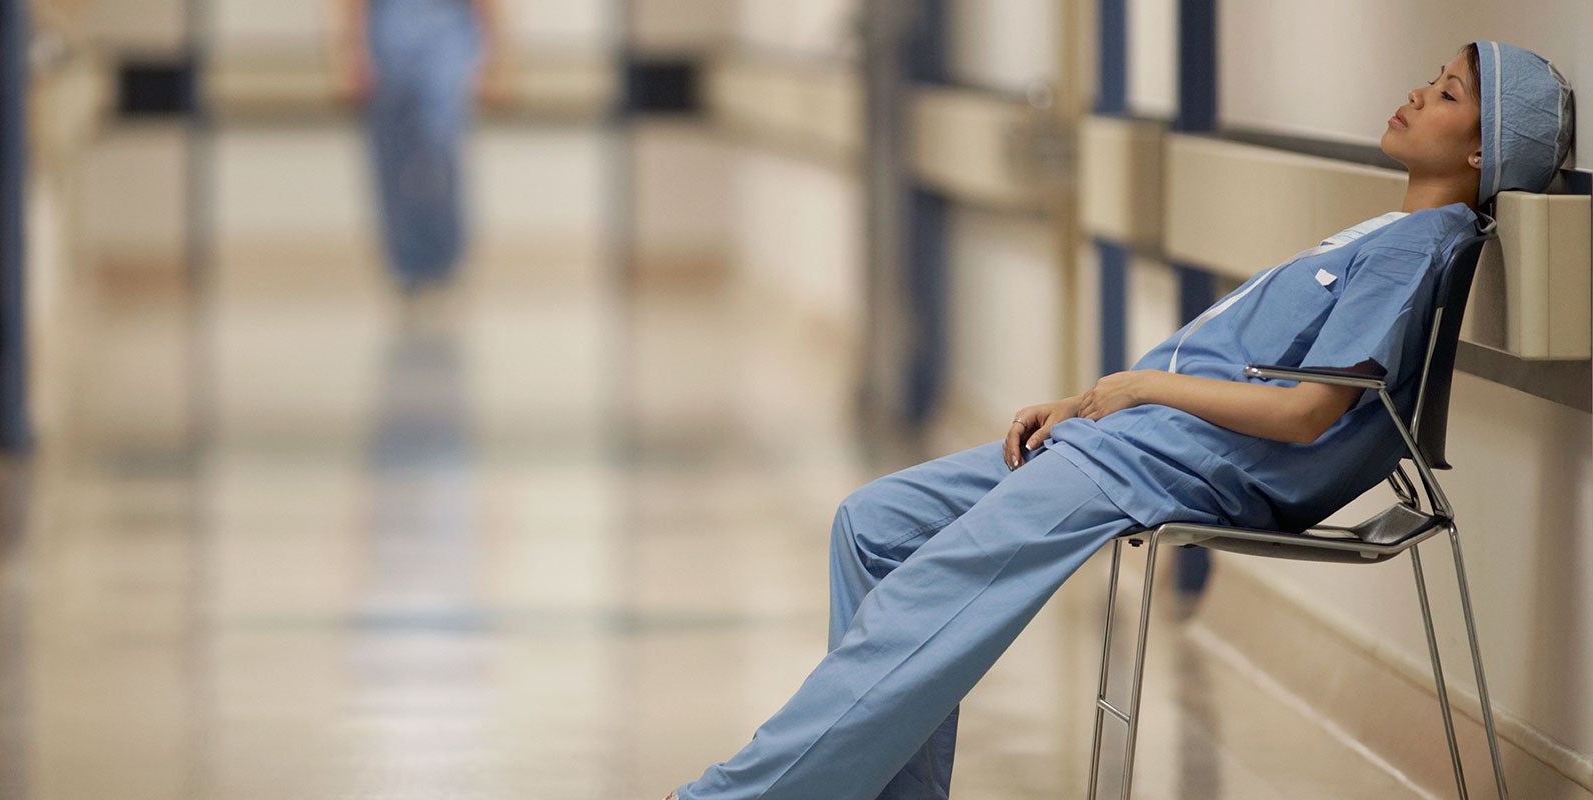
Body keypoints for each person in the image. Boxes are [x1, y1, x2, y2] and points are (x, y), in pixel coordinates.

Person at [665, 41, 1574, 800]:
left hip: (1173, 465)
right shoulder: (1383, 232)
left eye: (1449, 93)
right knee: (873, 525)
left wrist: (1139, 392)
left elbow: (1303, 417)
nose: (1419, 92)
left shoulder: (1416, 252)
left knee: (923, 598)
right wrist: (1091, 406)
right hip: (1131, 441)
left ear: (1480, 157)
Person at [338, 0, 506, 298]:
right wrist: (352, 52)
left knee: (439, 144)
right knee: (393, 152)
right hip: (386, 30)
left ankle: (443, 258)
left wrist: (497, 55)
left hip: (447, 28)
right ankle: (405, 262)